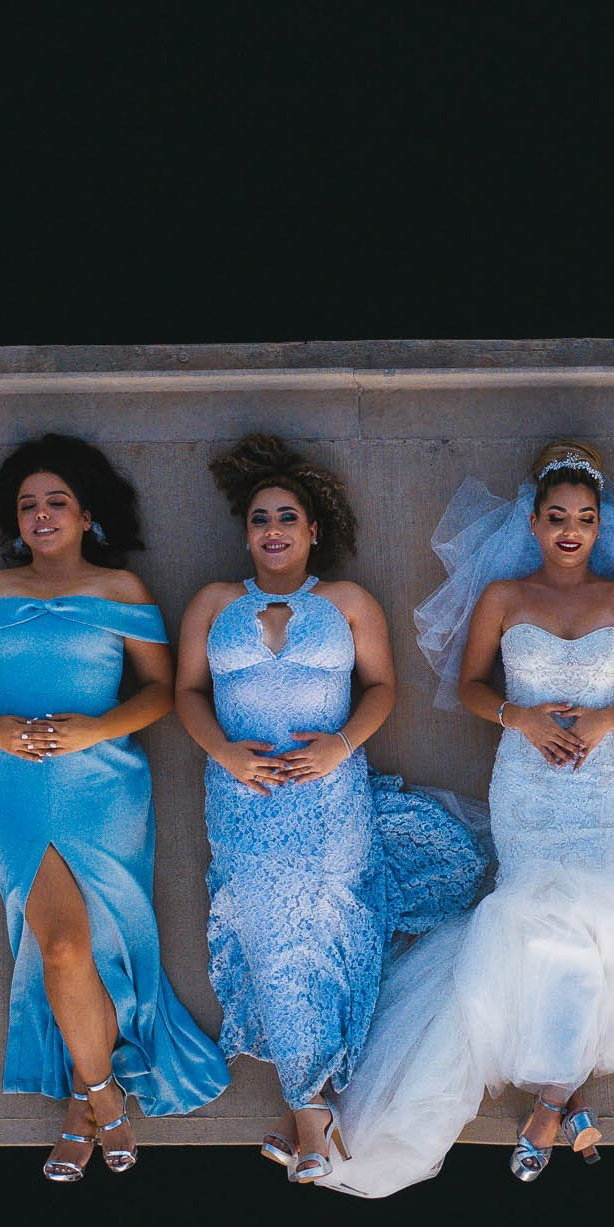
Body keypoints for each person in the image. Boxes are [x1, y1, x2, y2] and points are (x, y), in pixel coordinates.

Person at [319, 444, 614, 1196]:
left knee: (586, 935)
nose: (571, 531)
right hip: (525, 783)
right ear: (535, 522)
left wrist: (605, 720)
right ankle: (564, 1098)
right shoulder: (505, 599)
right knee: (535, 924)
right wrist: (518, 718)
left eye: (584, 518)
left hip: (595, 781)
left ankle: (551, 1104)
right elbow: (472, 685)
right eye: (557, 518)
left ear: (599, 523)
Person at [173, 437, 486, 1182]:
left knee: (321, 934)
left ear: (313, 531)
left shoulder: (346, 603)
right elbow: (185, 692)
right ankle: (312, 1115)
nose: (273, 529)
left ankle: (306, 1114)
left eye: (287, 517)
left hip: (329, 795)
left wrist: (339, 745)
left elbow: (381, 689)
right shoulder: (214, 603)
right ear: (246, 533)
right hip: (243, 798)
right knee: (270, 929)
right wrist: (225, 752)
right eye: (260, 519)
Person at [0, 434, 228, 1182]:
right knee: (63, 947)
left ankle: (84, 1096)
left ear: (86, 515)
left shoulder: (122, 591)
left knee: (89, 949)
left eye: (56, 502)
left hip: (103, 784)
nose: (41, 515)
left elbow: (162, 691)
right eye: (29, 505)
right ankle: (102, 1095)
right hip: (8, 784)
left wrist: (93, 728)